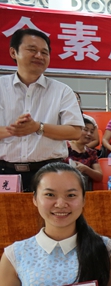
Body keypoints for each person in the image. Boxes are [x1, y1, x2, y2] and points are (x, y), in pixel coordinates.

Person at [0, 28, 83, 191]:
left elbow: (75, 132)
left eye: (44, 52)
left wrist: (38, 127)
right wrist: (14, 130)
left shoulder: (62, 91)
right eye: (32, 50)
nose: (39, 56)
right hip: (4, 172)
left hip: (50, 172)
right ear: (13, 52)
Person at [65, 114, 103, 189]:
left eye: (92, 132)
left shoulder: (91, 153)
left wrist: (86, 169)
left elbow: (99, 176)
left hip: (83, 188)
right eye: (85, 130)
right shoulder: (64, 147)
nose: (89, 134)